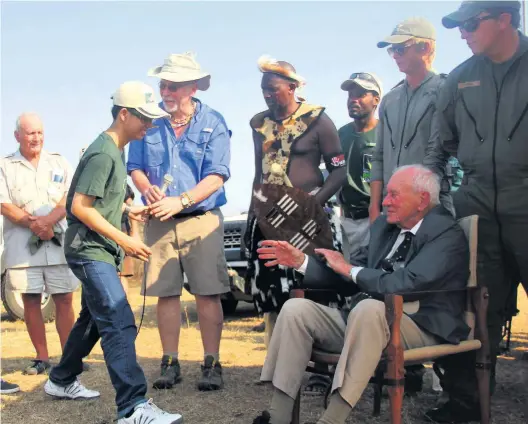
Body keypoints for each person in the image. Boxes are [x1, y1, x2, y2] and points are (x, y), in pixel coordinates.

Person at [252, 165, 470, 424]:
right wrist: (302, 262)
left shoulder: (444, 232)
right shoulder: (385, 230)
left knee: (369, 310)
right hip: (366, 320)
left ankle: (332, 419)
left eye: (394, 195)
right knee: (294, 310)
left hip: (420, 321)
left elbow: (408, 282)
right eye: (386, 194)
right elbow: (349, 277)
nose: (385, 201)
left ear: (422, 200)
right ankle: (277, 417)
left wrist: (351, 269)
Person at [43, 81, 183, 424]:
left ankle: (61, 379)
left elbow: (98, 198)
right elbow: (80, 206)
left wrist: (126, 210)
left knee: (94, 318)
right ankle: (133, 407)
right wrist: (125, 239)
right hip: (89, 250)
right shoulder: (104, 151)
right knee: (119, 319)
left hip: (97, 248)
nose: (149, 125)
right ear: (123, 114)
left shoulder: (115, 149)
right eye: (143, 118)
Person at [423, 1, 527, 422]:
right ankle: (466, 402)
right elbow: (437, 151)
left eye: (470, 23)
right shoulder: (459, 80)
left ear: (504, 19)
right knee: (473, 311)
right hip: (477, 207)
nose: (462, 33)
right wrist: (430, 200)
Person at [127, 52, 231, 391]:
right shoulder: (150, 121)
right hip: (159, 221)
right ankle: (169, 362)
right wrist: (148, 190)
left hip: (201, 220)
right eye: (163, 85)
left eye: (172, 86)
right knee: (165, 293)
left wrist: (182, 201)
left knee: (208, 292)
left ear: (192, 88)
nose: (165, 93)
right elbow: (136, 167)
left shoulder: (214, 122)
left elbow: (217, 176)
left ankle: (211, 364)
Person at [245, 55, 346, 340]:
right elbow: (258, 172)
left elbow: (339, 171)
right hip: (269, 217)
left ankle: (321, 362)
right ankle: (279, 360)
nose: (267, 95)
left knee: (316, 283)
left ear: (292, 87)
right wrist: (253, 217)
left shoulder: (318, 120)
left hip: (310, 216)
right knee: (273, 289)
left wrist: (314, 203)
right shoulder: (259, 124)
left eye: (273, 88)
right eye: (263, 89)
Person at [0, 113, 78, 376]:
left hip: (56, 242)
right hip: (23, 247)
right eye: (30, 133)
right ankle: (41, 357)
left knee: (65, 299)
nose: (36, 138)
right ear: (17, 136)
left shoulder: (59, 162)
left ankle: (70, 357)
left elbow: (71, 195)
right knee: (31, 299)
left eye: (40, 133)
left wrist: (49, 221)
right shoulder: (6, 165)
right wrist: (34, 224)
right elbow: (4, 204)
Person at [369, 17, 450, 222]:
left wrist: (420, 202)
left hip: (429, 208)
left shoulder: (445, 91)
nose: (395, 55)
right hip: (392, 210)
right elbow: (379, 156)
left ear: (425, 47)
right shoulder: (389, 100)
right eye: (392, 50)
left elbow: (439, 153)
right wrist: (374, 208)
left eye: (401, 48)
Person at [337, 72, 382, 259]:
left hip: (375, 219)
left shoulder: (386, 132)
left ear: (376, 100)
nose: (353, 100)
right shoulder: (341, 134)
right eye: (350, 95)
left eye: (361, 95)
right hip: (345, 221)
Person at [119, 184, 138, 296]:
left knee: (121, 274)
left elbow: (131, 205)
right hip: (99, 231)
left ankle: (122, 311)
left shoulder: (122, 183)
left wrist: (134, 232)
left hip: (121, 231)